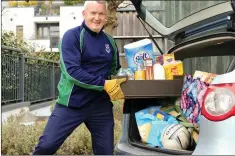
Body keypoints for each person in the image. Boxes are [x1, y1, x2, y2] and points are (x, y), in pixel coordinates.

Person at [33, 1, 126, 155]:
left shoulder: (110, 42)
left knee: (106, 153)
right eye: (93, 13)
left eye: (101, 14)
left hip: (100, 106)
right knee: (46, 147)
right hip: (71, 104)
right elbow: (73, 72)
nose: (97, 18)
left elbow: (113, 71)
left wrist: (127, 79)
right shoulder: (72, 37)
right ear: (84, 14)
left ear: (106, 17)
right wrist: (104, 84)